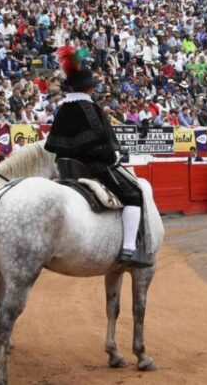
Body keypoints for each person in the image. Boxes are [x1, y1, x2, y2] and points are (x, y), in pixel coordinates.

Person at [45, 47, 150, 267]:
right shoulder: (90, 108)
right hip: (91, 167)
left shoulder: (63, 109)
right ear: (90, 88)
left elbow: (53, 145)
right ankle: (130, 249)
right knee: (134, 193)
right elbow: (99, 143)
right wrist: (111, 156)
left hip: (65, 167)